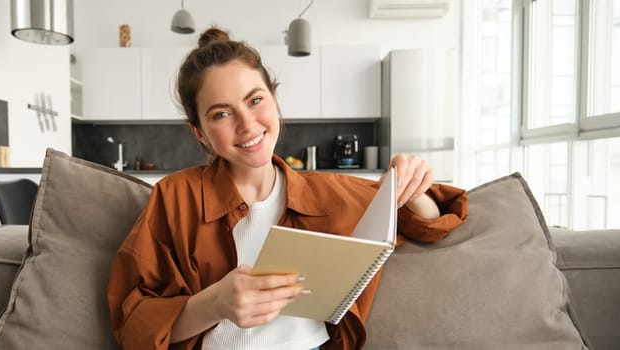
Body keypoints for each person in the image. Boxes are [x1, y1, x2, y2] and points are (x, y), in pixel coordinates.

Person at [107, 27, 468, 350]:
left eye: (255, 100)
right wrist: (214, 303)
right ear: (199, 132)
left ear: (275, 100)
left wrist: (413, 184)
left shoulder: (333, 193)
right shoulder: (175, 197)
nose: (247, 124)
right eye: (221, 113)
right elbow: (134, 323)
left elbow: (430, 221)